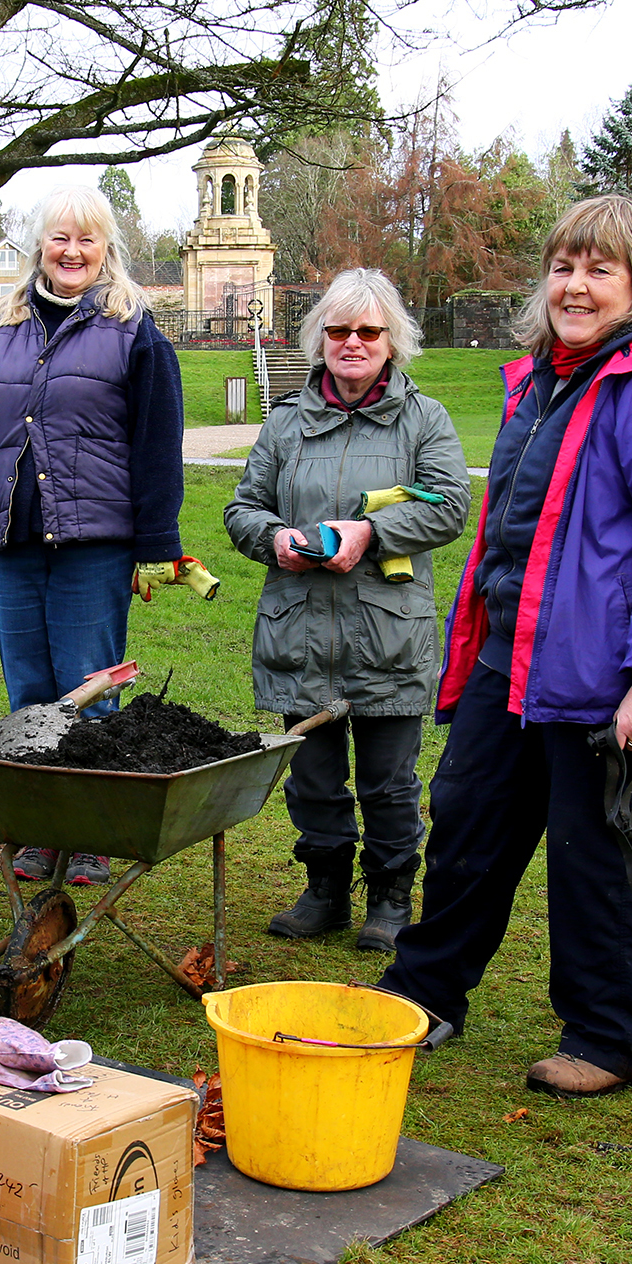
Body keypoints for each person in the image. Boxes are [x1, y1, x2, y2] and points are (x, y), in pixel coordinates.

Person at [379, 195, 632, 1099]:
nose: (574, 286)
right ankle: (424, 992)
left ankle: (606, 1034)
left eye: (598, 270)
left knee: (597, 856)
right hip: (513, 656)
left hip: (606, 675)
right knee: (465, 829)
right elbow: (513, 534)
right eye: (562, 267)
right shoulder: (541, 379)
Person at [0, 184, 199, 888]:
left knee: (88, 685)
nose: (71, 251)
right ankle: (40, 829)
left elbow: (157, 440)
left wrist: (157, 538)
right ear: (39, 245)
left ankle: (89, 834)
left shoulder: (133, 329)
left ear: (105, 248)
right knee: (29, 688)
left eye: (86, 239)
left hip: (95, 540)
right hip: (11, 536)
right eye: (60, 238)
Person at [224, 269, 469, 950]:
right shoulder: (284, 423)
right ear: (319, 338)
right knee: (313, 779)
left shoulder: (424, 420)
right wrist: (274, 539)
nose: (352, 342)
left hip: (385, 636)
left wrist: (371, 534)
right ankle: (324, 891)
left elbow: (450, 507)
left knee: (388, 782)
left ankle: (390, 898)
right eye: (338, 330)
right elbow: (241, 507)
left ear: (391, 340)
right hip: (298, 632)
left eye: (367, 330)